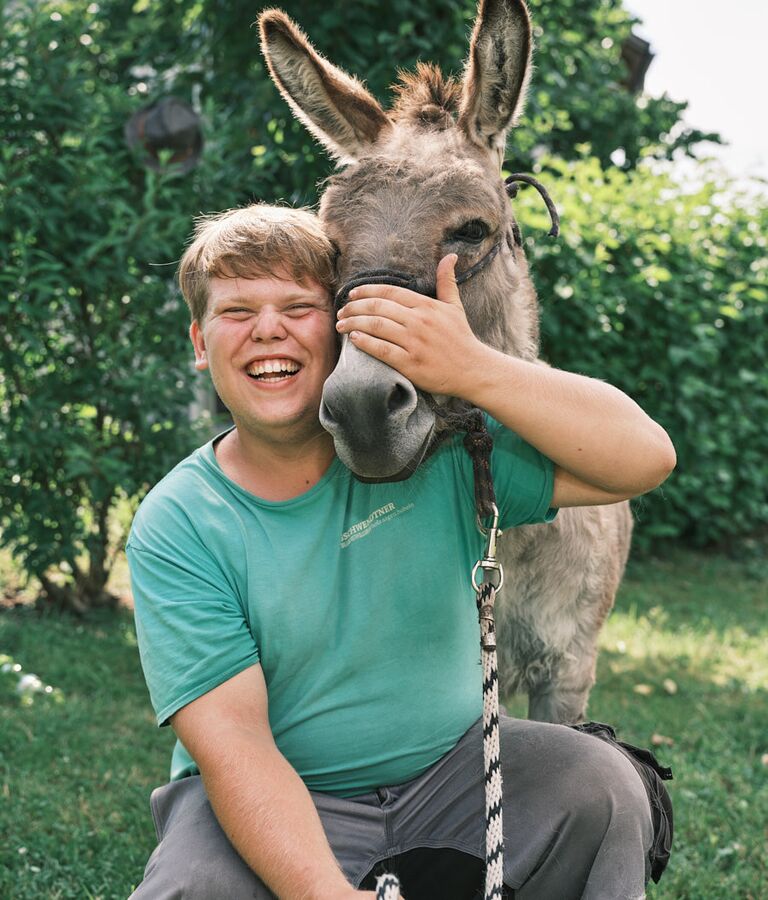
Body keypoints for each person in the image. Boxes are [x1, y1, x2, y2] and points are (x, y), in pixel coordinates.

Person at [127, 203, 676, 900]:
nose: (268, 329)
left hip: (453, 776)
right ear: (200, 342)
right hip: (286, 790)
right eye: (238, 312)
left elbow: (645, 458)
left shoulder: (438, 457)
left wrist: (473, 366)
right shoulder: (180, 522)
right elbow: (235, 745)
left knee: (600, 785)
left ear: (341, 327)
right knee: (193, 889)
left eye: (298, 307)